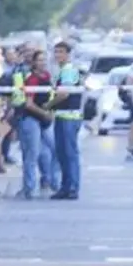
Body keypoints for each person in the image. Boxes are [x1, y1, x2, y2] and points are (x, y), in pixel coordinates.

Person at [13, 49, 60, 199]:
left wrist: (51, 111)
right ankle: (29, 189)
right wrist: (44, 113)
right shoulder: (31, 79)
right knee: (32, 154)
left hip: (44, 119)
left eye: (44, 60)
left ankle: (53, 182)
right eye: (39, 60)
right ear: (33, 63)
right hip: (30, 119)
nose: (43, 63)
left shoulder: (47, 76)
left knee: (56, 150)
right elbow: (28, 104)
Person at [49, 41, 83, 200]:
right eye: (56, 52)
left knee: (70, 154)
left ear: (68, 54)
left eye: (61, 52)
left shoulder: (68, 70)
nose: (58, 55)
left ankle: (72, 188)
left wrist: (47, 105)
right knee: (62, 154)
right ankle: (65, 186)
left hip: (70, 117)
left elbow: (64, 94)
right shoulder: (62, 70)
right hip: (62, 116)